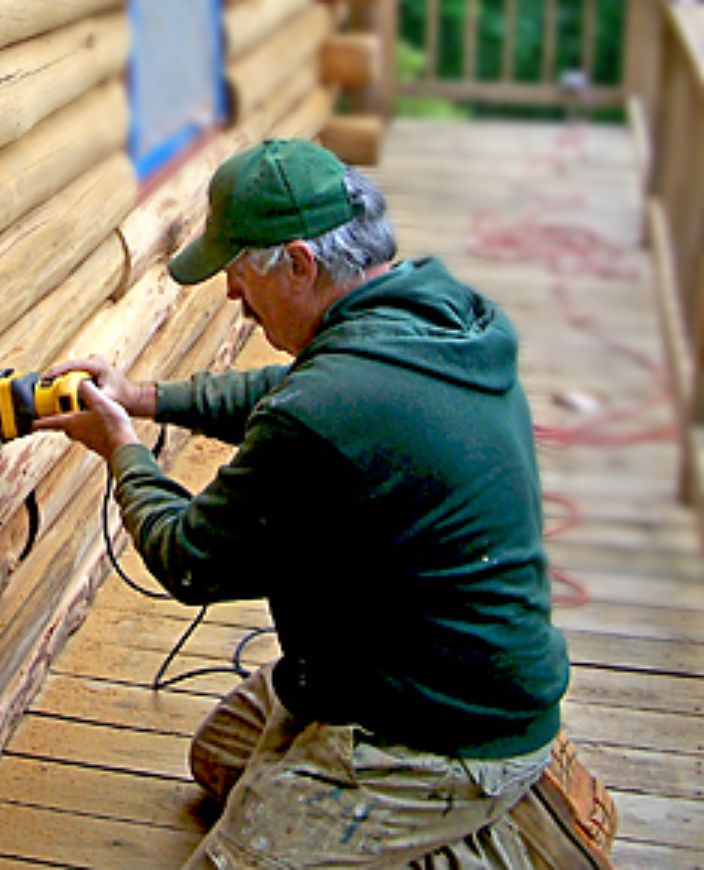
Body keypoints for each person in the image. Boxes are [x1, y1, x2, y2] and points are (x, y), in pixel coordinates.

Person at [35, 139, 614, 867]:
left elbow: (191, 560)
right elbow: (283, 392)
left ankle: (493, 840)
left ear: (302, 264)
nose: (233, 298)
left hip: (438, 729)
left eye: (240, 274)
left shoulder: (326, 410)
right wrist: (143, 399)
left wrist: (121, 447)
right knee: (220, 759)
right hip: (414, 667)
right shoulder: (431, 315)